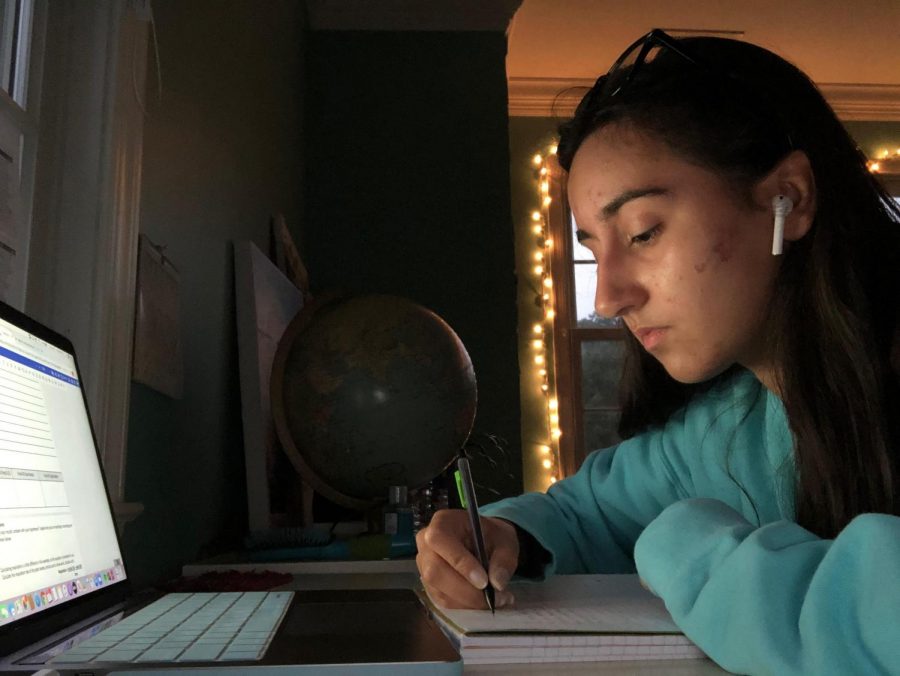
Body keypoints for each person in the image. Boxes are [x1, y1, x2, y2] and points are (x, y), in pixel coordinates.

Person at [415, 29, 900, 675]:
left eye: (642, 232)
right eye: (592, 247)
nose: (609, 295)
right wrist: (501, 537)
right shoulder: (728, 424)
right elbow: (584, 513)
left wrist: (684, 545)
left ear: (790, 197)